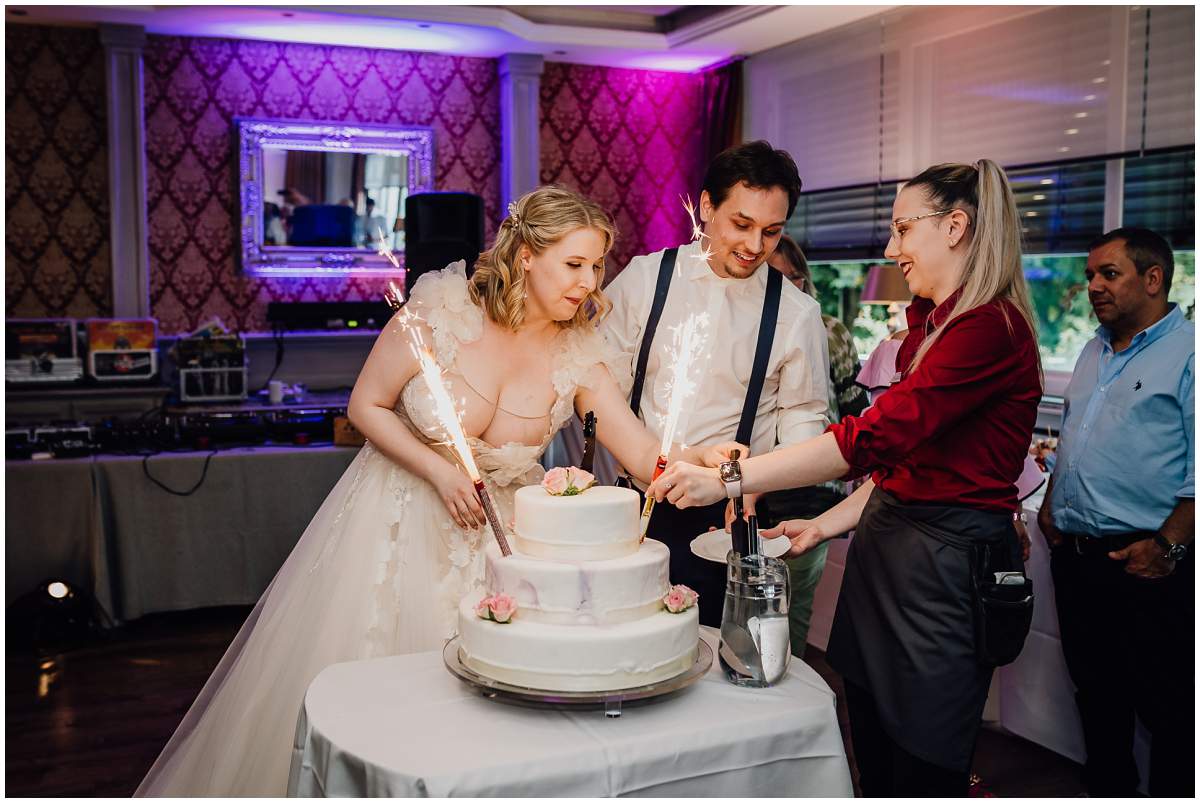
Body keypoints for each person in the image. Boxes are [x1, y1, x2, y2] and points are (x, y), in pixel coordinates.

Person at [136, 186, 736, 796]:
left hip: (505, 545)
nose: (589, 282)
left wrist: (702, 458)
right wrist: (440, 470)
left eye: (597, 266)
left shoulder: (580, 351)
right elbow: (365, 405)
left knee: (492, 715)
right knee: (396, 703)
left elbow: (641, 452)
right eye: (573, 264)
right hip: (399, 518)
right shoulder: (439, 312)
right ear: (526, 254)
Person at [649, 160, 1043, 795]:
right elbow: (903, 469)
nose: (892, 249)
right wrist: (824, 524)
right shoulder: (930, 327)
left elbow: (872, 440)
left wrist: (731, 478)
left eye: (902, 229)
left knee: (924, 757)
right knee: (872, 739)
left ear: (956, 227)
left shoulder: (989, 331)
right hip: (885, 552)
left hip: (942, 569)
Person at [601, 140, 831, 627]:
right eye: (741, 225)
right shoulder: (644, 280)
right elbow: (600, 396)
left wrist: (755, 486)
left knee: (716, 664)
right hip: (631, 507)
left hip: (731, 520)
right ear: (706, 206)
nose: (754, 246)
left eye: (771, 232)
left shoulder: (797, 313)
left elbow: (804, 420)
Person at [1036, 227, 1194, 797]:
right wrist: (1052, 508)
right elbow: (1075, 442)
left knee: (1169, 710)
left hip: (1146, 563)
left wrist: (1168, 547)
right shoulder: (1093, 348)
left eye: (1109, 274)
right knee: (1099, 702)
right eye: (1089, 276)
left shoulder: (1190, 352)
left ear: (1154, 279)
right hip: (1080, 561)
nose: (1093, 287)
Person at [763, 234, 865, 656]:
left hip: (810, 492)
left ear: (804, 282)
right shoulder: (738, 335)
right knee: (748, 604)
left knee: (793, 609)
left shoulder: (830, 332)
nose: (783, 290)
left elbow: (857, 408)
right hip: (749, 489)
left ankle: (788, 698)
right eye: (770, 280)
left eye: (792, 280)